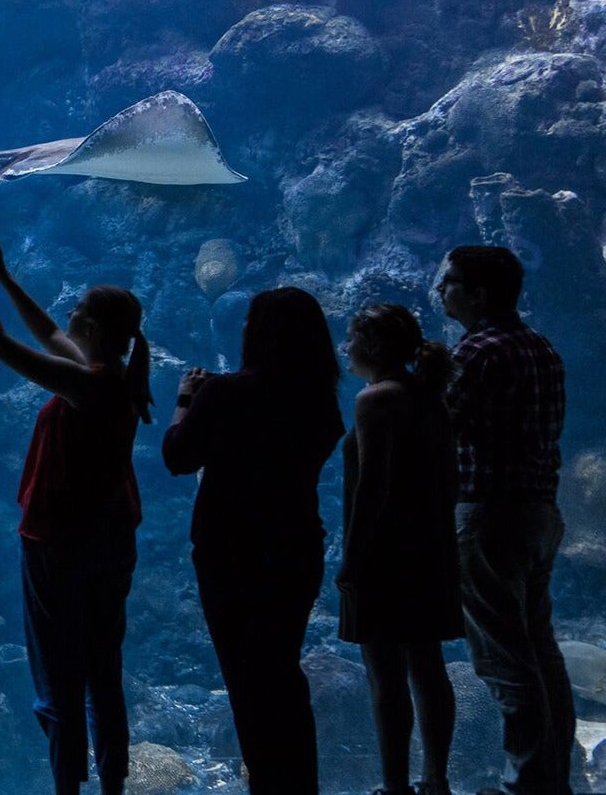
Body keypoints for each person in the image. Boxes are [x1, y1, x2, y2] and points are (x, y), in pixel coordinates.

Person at [0, 237, 150, 795]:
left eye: (78, 313)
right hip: (110, 542)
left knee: (60, 678)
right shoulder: (113, 376)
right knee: (103, 674)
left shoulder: (89, 386)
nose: (68, 315)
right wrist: (3, 274)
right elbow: (46, 334)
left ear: (91, 328)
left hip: (61, 543)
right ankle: (112, 783)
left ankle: (68, 785)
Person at [161, 286, 343, 795]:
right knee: (282, 673)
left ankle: (268, 783)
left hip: (231, 554)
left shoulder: (224, 392)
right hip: (296, 548)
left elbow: (178, 457)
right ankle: (299, 785)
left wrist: (185, 401)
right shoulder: (320, 399)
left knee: (246, 680)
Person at [435, 245, 574, 795]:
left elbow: (438, 423)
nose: (441, 290)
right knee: (540, 650)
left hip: (489, 513)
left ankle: (526, 785)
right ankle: (554, 778)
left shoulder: (478, 352)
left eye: (450, 283)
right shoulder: (542, 347)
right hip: (540, 511)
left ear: (478, 295)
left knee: (504, 659)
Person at [336, 303, 460, 795]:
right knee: (428, 666)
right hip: (430, 546)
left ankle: (395, 785)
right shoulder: (431, 397)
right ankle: (436, 780)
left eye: (351, 338)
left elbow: (373, 486)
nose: (345, 349)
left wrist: (353, 556)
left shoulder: (376, 399)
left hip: (386, 553)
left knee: (386, 675)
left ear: (371, 347)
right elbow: (449, 477)